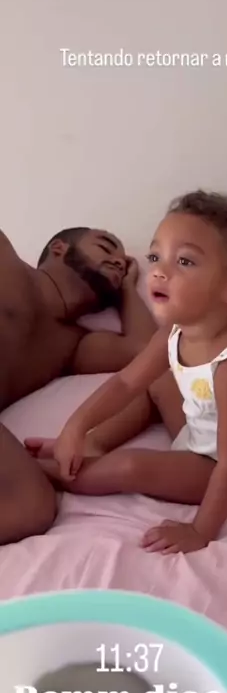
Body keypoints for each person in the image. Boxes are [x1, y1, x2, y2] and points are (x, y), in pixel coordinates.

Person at [32, 190, 227, 555]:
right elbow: (125, 382)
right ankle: (89, 445)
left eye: (184, 261)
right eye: (155, 257)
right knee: (155, 382)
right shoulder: (174, 332)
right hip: (200, 432)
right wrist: (75, 428)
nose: (160, 271)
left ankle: (43, 472)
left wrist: (199, 531)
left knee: (131, 467)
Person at [0, 225, 158, 545]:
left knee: (33, 506)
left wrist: (128, 288)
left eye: (122, 262)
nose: (119, 261)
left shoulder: (71, 346)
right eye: (105, 247)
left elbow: (148, 352)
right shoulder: (6, 260)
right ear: (59, 248)